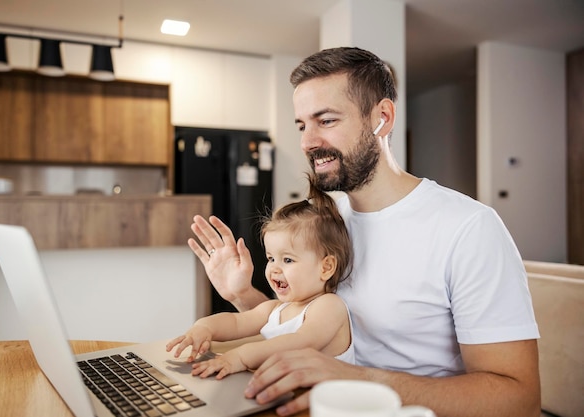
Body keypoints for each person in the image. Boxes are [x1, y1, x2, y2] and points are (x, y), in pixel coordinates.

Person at [186, 46, 541, 417]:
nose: (307, 142)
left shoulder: (469, 228)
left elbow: (519, 399)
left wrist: (357, 379)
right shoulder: (326, 218)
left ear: (382, 118)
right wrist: (242, 293)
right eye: (302, 125)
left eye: (326, 121)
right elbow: (300, 331)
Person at [167, 177, 355, 379]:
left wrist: (240, 356)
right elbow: (236, 322)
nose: (274, 268)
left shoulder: (329, 306)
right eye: (271, 258)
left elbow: (301, 341)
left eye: (288, 260)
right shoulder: (275, 309)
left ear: (326, 267)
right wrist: (204, 327)